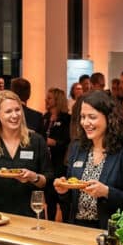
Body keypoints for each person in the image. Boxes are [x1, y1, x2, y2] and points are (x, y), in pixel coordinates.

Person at [55, 91, 123, 229]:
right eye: (83, 117)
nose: (85, 123)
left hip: (112, 231)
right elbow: (72, 198)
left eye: (92, 117)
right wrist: (64, 191)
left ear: (109, 118)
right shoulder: (77, 148)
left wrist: (107, 192)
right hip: (77, 228)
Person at [0, 90, 52, 216]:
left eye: (17, 110)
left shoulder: (36, 141)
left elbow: (47, 179)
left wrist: (34, 177)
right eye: (8, 111)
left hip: (29, 213)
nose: (15, 115)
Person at [42, 87, 71, 220]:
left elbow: (66, 141)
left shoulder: (66, 119)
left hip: (60, 162)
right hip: (47, 162)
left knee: (61, 196)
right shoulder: (45, 117)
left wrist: (50, 142)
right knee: (49, 198)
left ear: (57, 100)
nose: (46, 100)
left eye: (49, 98)